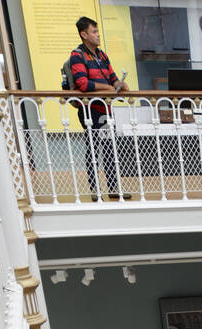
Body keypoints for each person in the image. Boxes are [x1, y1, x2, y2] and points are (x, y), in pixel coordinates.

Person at [68, 17, 131, 201]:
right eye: (94, 32)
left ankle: (113, 188)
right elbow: (82, 83)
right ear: (84, 34)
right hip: (90, 110)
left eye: (97, 31)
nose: (97, 35)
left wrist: (121, 84)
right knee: (94, 149)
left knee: (111, 149)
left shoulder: (102, 55)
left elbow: (112, 78)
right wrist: (108, 88)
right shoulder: (77, 55)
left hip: (106, 109)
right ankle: (95, 190)